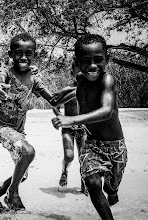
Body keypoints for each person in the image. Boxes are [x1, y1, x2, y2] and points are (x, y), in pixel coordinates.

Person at [0, 32, 75, 212]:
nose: (23, 57)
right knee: (28, 152)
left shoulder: (34, 79)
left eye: (29, 53)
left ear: (35, 55)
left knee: (22, 173)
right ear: (11, 54)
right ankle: (13, 193)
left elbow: (54, 100)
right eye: (18, 52)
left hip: (19, 131)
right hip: (1, 127)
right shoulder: (6, 72)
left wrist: (78, 91)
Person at [51, 34, 128, 220]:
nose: (92, 66)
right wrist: (66, 93)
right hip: (92, 144)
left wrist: (72, 120)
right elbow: (81, 89)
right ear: (77, 62)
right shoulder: (80, 78)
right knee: (92, 183)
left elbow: (107, 110)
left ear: (106, 60)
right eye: (86, 61)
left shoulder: (108, 81)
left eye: (98, 60)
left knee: (111, 187)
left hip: (115, 147)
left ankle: (112, 191)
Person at [52, 63, 88, 195]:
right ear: (71, 72)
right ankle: (64, 171)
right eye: (77, 72)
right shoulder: (67, 90)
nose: (80, 75)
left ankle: (85, 182)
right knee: (69, 156)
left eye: (83, 72)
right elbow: (55, 106)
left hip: (84, 129)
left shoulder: (89, 89)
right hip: (68, 128)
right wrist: (62, 118)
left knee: (84, 158)